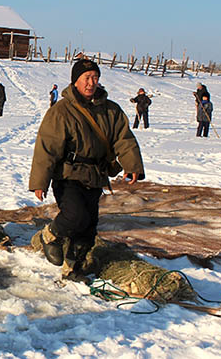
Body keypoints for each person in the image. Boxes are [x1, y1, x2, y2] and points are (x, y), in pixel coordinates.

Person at [28, 59, 145, 281]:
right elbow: (47, 147)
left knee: (88, 229)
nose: (91, 83)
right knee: (75, 216)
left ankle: (73, 269)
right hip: (68, 174)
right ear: (75, 81)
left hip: (96, 175)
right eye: (86, 78)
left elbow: (124, 139)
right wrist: (39, 182)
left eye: (95, 78)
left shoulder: (111, 110)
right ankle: (50, 235)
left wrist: (132, 166)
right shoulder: (62, 111)